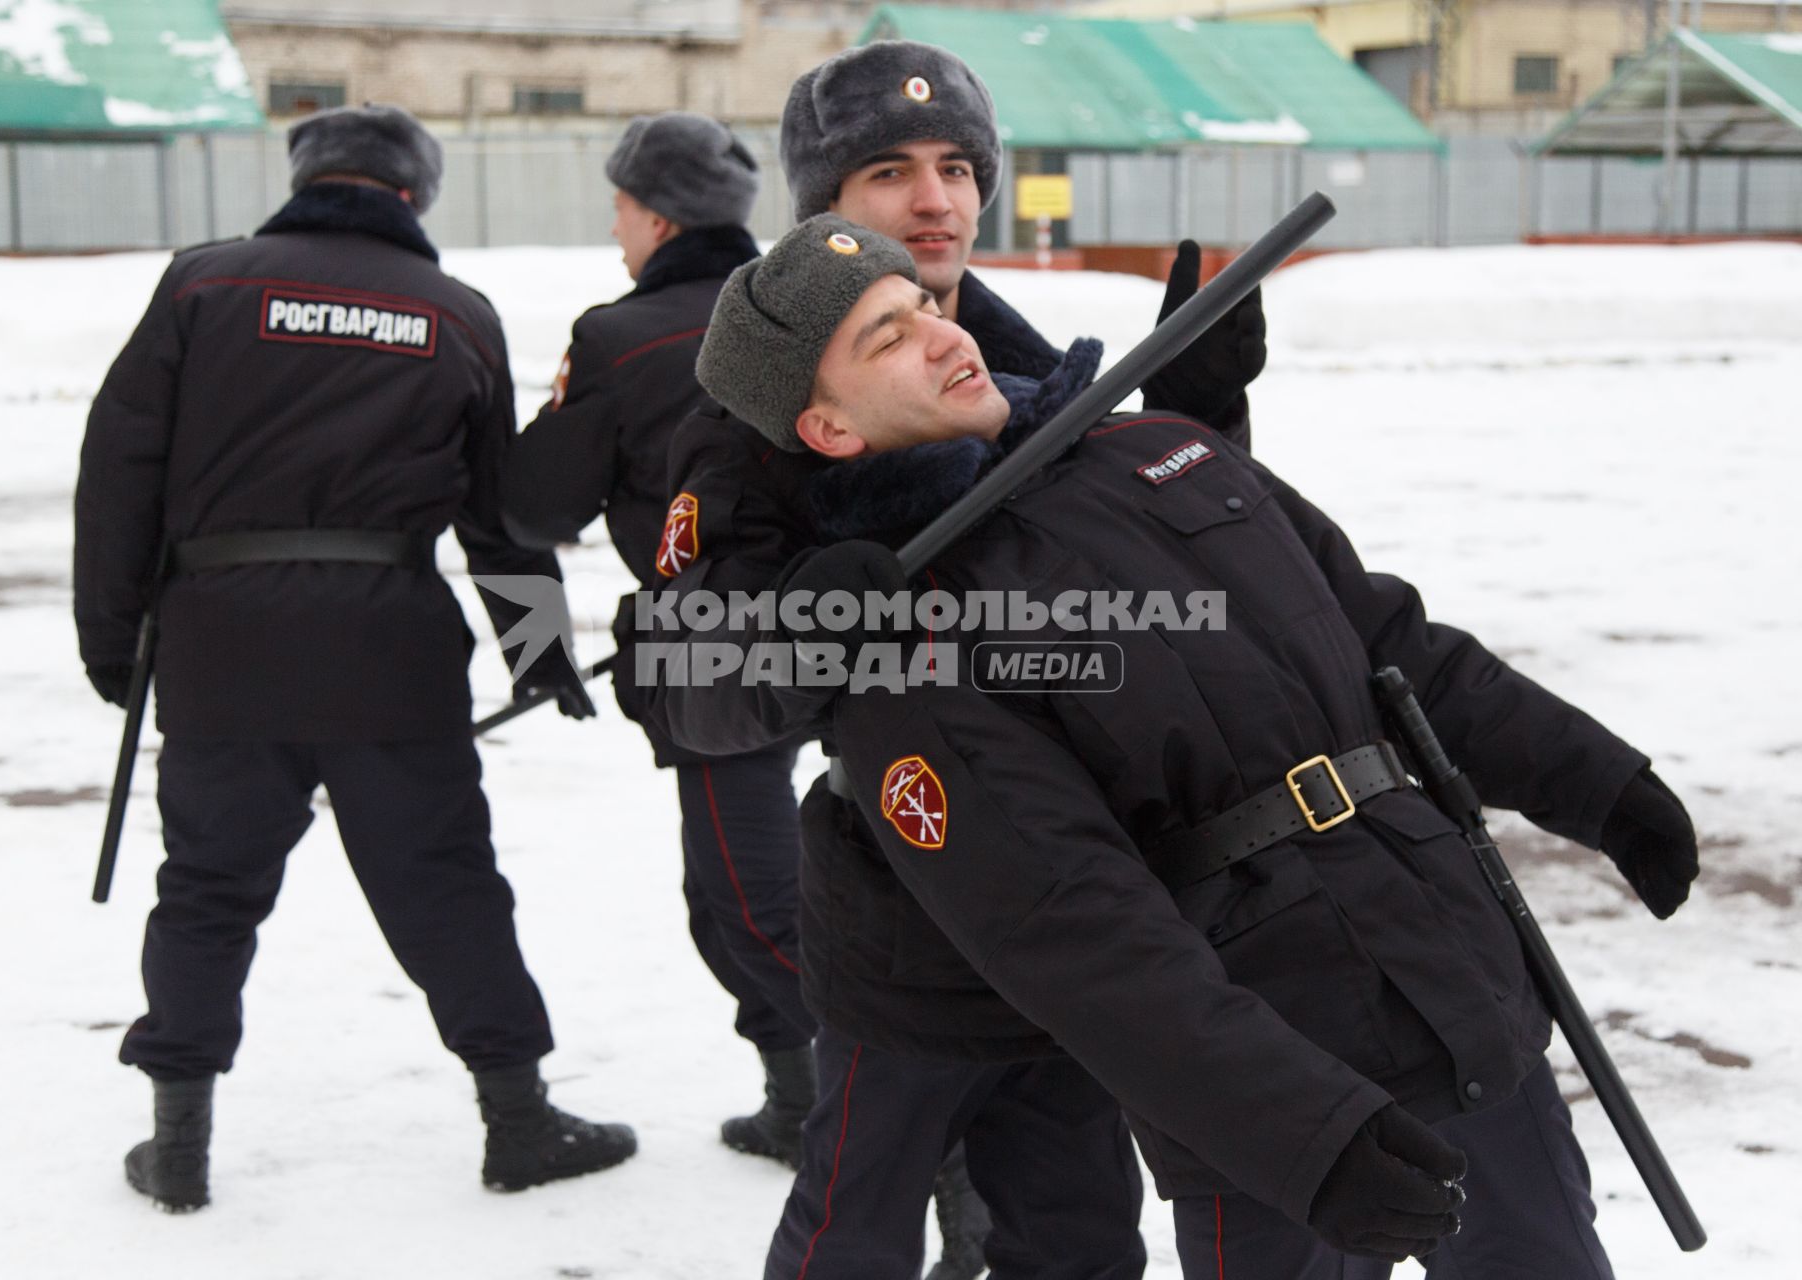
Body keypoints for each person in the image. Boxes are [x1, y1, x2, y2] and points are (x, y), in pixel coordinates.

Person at [686, 212, 1704, 1276]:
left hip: (1462, 988)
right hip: (1268, 1078)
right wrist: (1302, 1133)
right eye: (884, 340)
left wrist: (1598, 781)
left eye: (925, 306)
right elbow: (1072, 926)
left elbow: (1391, 643)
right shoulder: (915, 633)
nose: (944, 335)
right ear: (830, 429)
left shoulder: (1155, 448)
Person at [641, 41, 1260, 1279]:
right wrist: (804, 621)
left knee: (1080, 1230)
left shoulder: (1038, 373)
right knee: (855, 1220)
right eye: (888, 170)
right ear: (822, 207)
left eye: (957, 168)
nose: (936, 202)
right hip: (912, 903)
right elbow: (679, 677)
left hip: (1089, 893)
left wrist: (1200, 429)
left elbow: (1202, 594)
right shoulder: (759, 407)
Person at [73, 104, 635, 1213]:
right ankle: (518, 1118)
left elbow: (119, 467)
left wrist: (112, 643)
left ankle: (178, 1139)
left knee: (205, 889)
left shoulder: (204, 285)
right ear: (414, 194)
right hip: (390, 651)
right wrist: (537, 650)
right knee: (446, 887)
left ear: (305, 177)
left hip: (220, 645)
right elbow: (498, 512)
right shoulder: (456, 314)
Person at [499, 113, 822, 1165]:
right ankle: (801, 1100)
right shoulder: (815, 304)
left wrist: (536, 648)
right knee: (745, 893)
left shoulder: (621, 336)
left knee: (751, 905)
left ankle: (900, 1114)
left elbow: (529, 509)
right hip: (867, 622)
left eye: (621, 210)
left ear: (658, 214)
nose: (615, 230)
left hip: (719, 649)